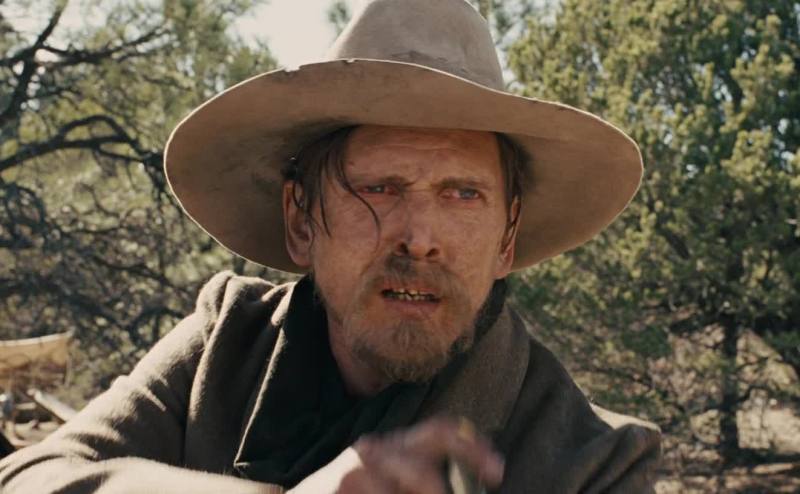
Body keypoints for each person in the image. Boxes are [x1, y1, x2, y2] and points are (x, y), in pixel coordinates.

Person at [0, 0, 661, 492]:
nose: (420, 239)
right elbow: (31, 476)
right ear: (301, 220)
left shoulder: (595, 464)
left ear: (507, 238)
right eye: (379, 188)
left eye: (463, 194)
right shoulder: (228, 345)